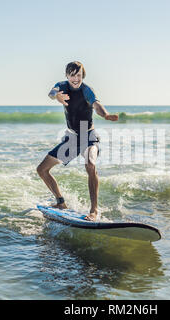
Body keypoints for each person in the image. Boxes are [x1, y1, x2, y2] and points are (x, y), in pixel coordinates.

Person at [37, 61, 118, 221]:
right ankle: (60, 202)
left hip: (88, 136)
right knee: (42, 169)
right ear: (67, 75)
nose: (75, 78)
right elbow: (51, 93)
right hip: (72, 138)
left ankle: (94, 210)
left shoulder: (86, 90)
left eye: (78, 75)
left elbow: (96, 105)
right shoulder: (62, 86)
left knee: (90, 165)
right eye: (72, 75)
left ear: (83, 76)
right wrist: (56, 96)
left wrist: (106, 115)